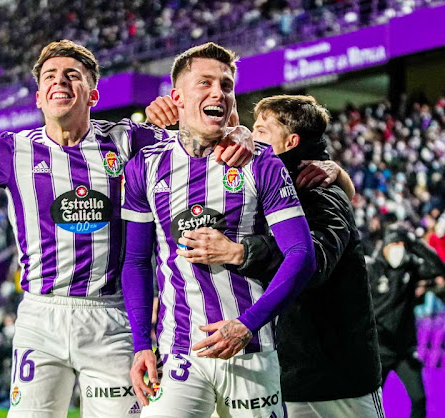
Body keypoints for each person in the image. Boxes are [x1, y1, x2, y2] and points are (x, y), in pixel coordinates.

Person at [0, 40, 252, 418]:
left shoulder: (129, 140)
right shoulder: (12, 151)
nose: (60, 81)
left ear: (93, 96)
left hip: (111, 318)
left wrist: (240, 132)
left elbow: (206, 131)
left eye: (72, 75)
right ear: (39, 97)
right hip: (40, 318)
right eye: (50, 76)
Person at [147, 94, 384, 417]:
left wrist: (240, 251)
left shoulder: (318, 190)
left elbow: (313, 262)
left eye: (260, 131)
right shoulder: (257, 182)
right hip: (283, 371)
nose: (249, 137)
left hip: (334, 379)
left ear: (291, 141)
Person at [121, 43, 316, 418]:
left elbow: (301, 255)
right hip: (181, 352)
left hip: (252, 349)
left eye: (226, 85)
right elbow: (135, 263)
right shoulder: (144, 167)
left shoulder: (261, 162)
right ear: (176, 97)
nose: (218, 93)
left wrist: (246, 325)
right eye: (205, 83)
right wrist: (140, 344)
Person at [368, 223, 445, 418]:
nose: (398, 249)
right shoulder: (372, 269)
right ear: (385, 245)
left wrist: (416, 243)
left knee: (419, 399)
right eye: (395, 243)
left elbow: (438, 268)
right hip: (378, 351)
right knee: (369, 406)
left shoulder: (410, 267)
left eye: (402, 244)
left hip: (404, 350)